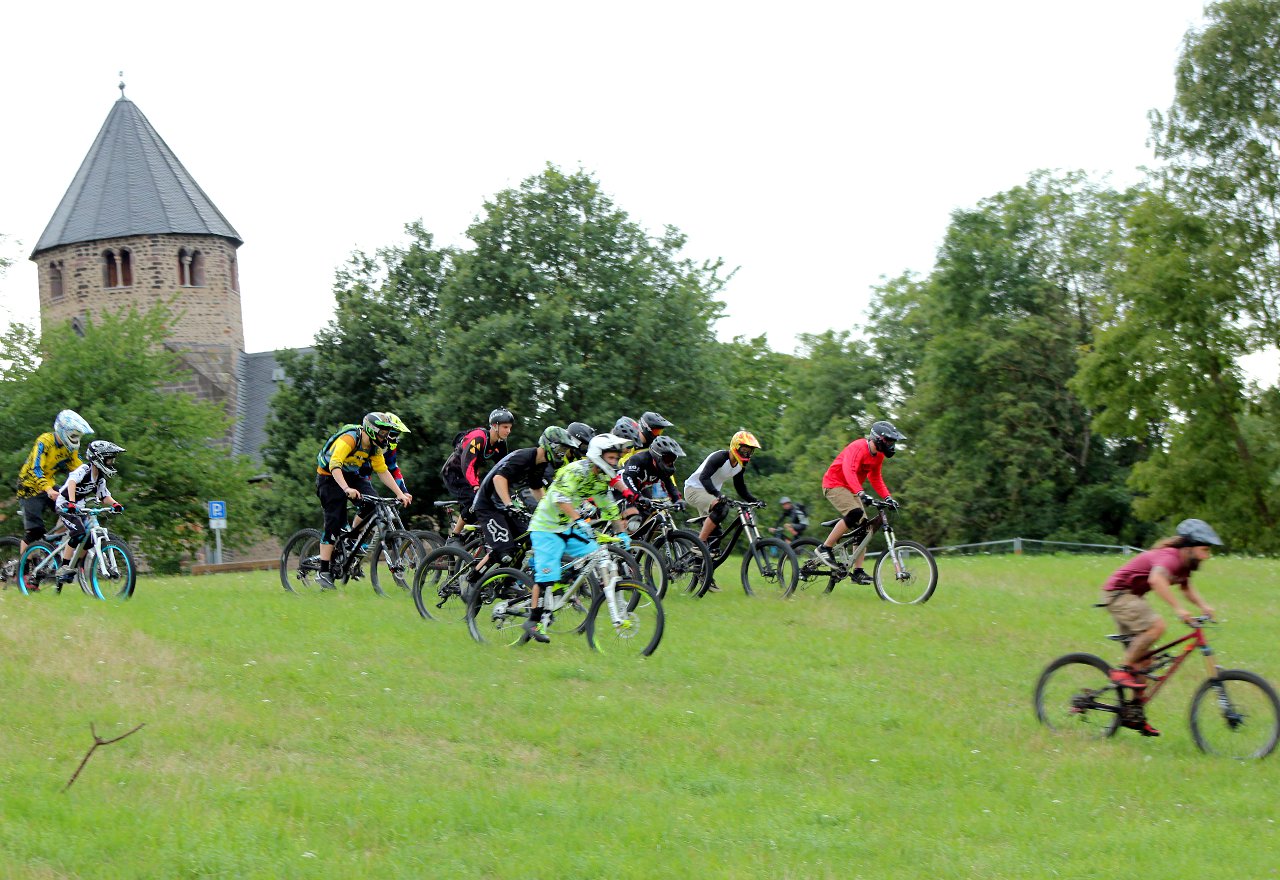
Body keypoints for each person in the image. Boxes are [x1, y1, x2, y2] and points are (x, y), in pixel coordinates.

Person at [1099, 518, 1221, 736]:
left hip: (1131, 596)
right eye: (1203, 550)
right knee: (1156, 627)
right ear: (1189, 547)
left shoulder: (1185, 565)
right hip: (1118, 594)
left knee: (1144, 662)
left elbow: (1185, 588)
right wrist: (1178, 609)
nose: (1206, 556)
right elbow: (1156, 580)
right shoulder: (1170, 557)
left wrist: (1204, 606)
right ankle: (1122, 670)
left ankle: (1134, 715)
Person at [525, 433, 634, 644]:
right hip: (546, 527)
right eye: (611, 458)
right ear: (597, 455)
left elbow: (609, 507)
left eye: (615, 458)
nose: (614, 462)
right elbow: (560, 498)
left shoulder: (600, 478)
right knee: (546, 575)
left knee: (595, 554)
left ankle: (563, 584)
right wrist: (579, 520)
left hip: (567, 526)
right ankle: (534, 620)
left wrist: (621, 532)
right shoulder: (576, 471)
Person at [314, 412, 412, 589]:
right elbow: (334, 465)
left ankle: (352, 537)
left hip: (351, 476)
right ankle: (323, 571)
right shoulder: (350, 438)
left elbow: (382, 471)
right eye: (383, 433)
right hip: (329, 477)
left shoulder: (374, 447)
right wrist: (346, 489)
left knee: (374, 504)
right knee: (334, 521)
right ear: (372, 430)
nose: (386, 436)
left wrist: (400, 493)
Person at [470, 426, 580, 577]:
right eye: (561, 449)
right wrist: (509, 504)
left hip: (504, 504)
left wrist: (550, 511)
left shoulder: (540, 464)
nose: (562, 453)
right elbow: (499, 478)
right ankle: (472, 580)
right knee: (505, 551)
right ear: (550, 445)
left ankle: (507, 582)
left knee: (528, 539)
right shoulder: (524, 456)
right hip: (488, 505)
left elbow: (536, 488)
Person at [814, 420, 904, 584]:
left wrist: (888, 497)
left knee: (864, 527)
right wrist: (861, 493)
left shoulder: (879, 456)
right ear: (878, 439)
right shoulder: (858, 447)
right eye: (889, 441)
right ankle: (825, 548)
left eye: (893, 441)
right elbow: (849, 471)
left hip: (851, 488)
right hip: (834, 484)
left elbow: (875, 477)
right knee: (854, 513)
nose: (891, 444)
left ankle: (858, 571)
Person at [683, 432, 762, 592]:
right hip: (694, 490)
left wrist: (754, 500)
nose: (747, 454)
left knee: (716, 538)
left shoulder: (740, 464)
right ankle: (699, 544)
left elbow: (740, 487)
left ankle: (704, 574)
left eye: (750, 451)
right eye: (745, 450)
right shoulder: (720, 457)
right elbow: (704, 478)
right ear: (735, 447)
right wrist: (718, 495)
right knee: (721, 508)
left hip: (709, 494)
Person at [16, 410, 93, 554]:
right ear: (63, 431)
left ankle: (54, 544)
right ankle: (23, 572)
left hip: (49, 485)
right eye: (74, 435)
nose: (76, 439)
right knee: (35, 531)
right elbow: (36, 469)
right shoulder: (45, 441)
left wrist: (94, 480)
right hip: (29, 488)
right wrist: (48, 489)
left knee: (72, 512)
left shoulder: (69, 448)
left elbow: (79, 468)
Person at [51, 440, 126, 587]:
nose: (111, 463)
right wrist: (72, 502)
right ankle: (64, 567)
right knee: (78, 532)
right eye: (109, 459)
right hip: (65, 503)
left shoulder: (99, 478)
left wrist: (115, 504)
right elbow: (72, 482)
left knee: (90, 538)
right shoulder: (84, 469)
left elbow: (104, 496)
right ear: (98, 458)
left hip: (78, 505)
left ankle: (76, 564)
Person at [440, 408, 514, 540]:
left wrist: (510, 490)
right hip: (454, 473)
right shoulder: (478, 438)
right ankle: (454, 536)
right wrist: (475, 485)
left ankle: (473, 538)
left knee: (492, 503)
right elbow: (467, 464)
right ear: (494, 426)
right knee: (475, 503)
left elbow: (503, 469)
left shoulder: (501, 444)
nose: (508, 431)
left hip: (471, 475)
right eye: (505, 427)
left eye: (510, 427)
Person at [618, 435, 686, 523]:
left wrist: (677, 499)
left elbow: (669, 485)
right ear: (657, 456)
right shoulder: (639, 459)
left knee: (651, 513)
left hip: (638, 489)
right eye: (667, 459)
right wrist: (637, 496)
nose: (669, 463)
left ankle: (641, 536)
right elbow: (626, 478)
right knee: (633, 516)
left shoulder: (661, 469)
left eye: (672, 460)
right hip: (619, 487)